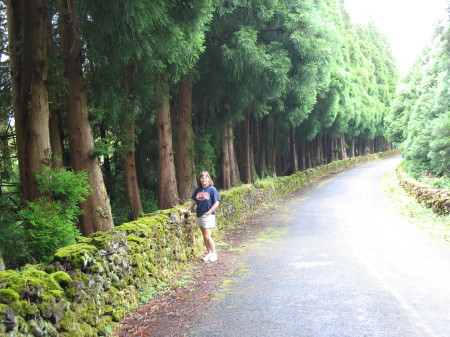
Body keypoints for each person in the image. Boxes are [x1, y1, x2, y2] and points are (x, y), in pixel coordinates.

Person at [185, 171, 220, 262]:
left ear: (209, 179)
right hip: (199, 214)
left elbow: (216, 203)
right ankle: (208, 253)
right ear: (199, 179)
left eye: (206, 178)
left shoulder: (212, 189)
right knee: (204, 236)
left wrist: (209, 212)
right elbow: (194, 202)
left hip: (208, 215)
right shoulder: (198, 189)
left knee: (208, 236)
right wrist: (186, 210)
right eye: (202, 178)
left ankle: (214, 253)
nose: (204, 179)